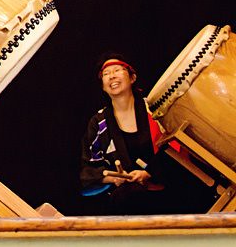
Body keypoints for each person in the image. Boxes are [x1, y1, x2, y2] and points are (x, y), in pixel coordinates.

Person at [79, 53, 204, 214]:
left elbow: (179, 147)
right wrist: (114, 178)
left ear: (132, 78)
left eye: (117, 70)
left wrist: (148, 172)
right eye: (106, 74)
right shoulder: (98, 123)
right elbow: (88, 170)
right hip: (132, 198)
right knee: (124, 197)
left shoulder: (154, 109)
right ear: (103, 86)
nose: (111, 76)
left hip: (170, 186)